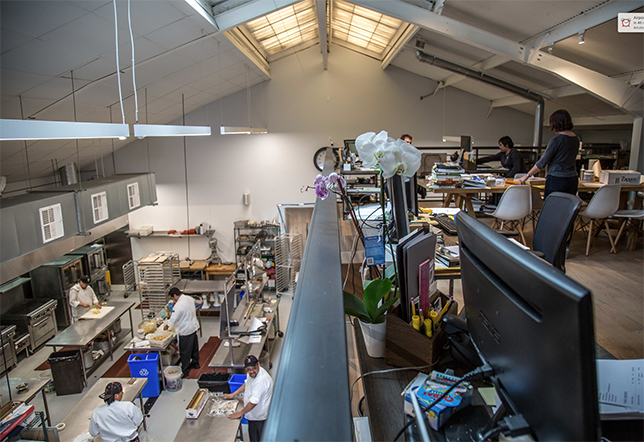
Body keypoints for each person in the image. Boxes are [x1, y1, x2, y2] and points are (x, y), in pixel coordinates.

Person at [518, 109, 580, 198]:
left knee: (552, 207)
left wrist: (527, 176)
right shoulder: (575, 139)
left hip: (557, 179)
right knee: (567, 207)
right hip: (572, 178)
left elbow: (542, 162)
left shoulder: (557, 139)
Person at [223, 355, 274, 442]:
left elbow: (253, 402)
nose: (251, 371)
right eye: (248, 369)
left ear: (258, 364)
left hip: (260, 418)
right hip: (253, 416)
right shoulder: (253, 373)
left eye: (253, 368)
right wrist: (233, 394)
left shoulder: (261, 381)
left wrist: (240, 413)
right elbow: (246, 384)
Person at [164, 287, 200, 378]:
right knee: (194, 347)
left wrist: (167, 326)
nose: (173, 300)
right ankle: (196, 363)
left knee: (185, 351)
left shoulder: (178, 306)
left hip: (185, 330)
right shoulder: (189, 298)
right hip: (193, 326)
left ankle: (185, 370)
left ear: (175, 296)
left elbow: (173, 319)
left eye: (172, 298)